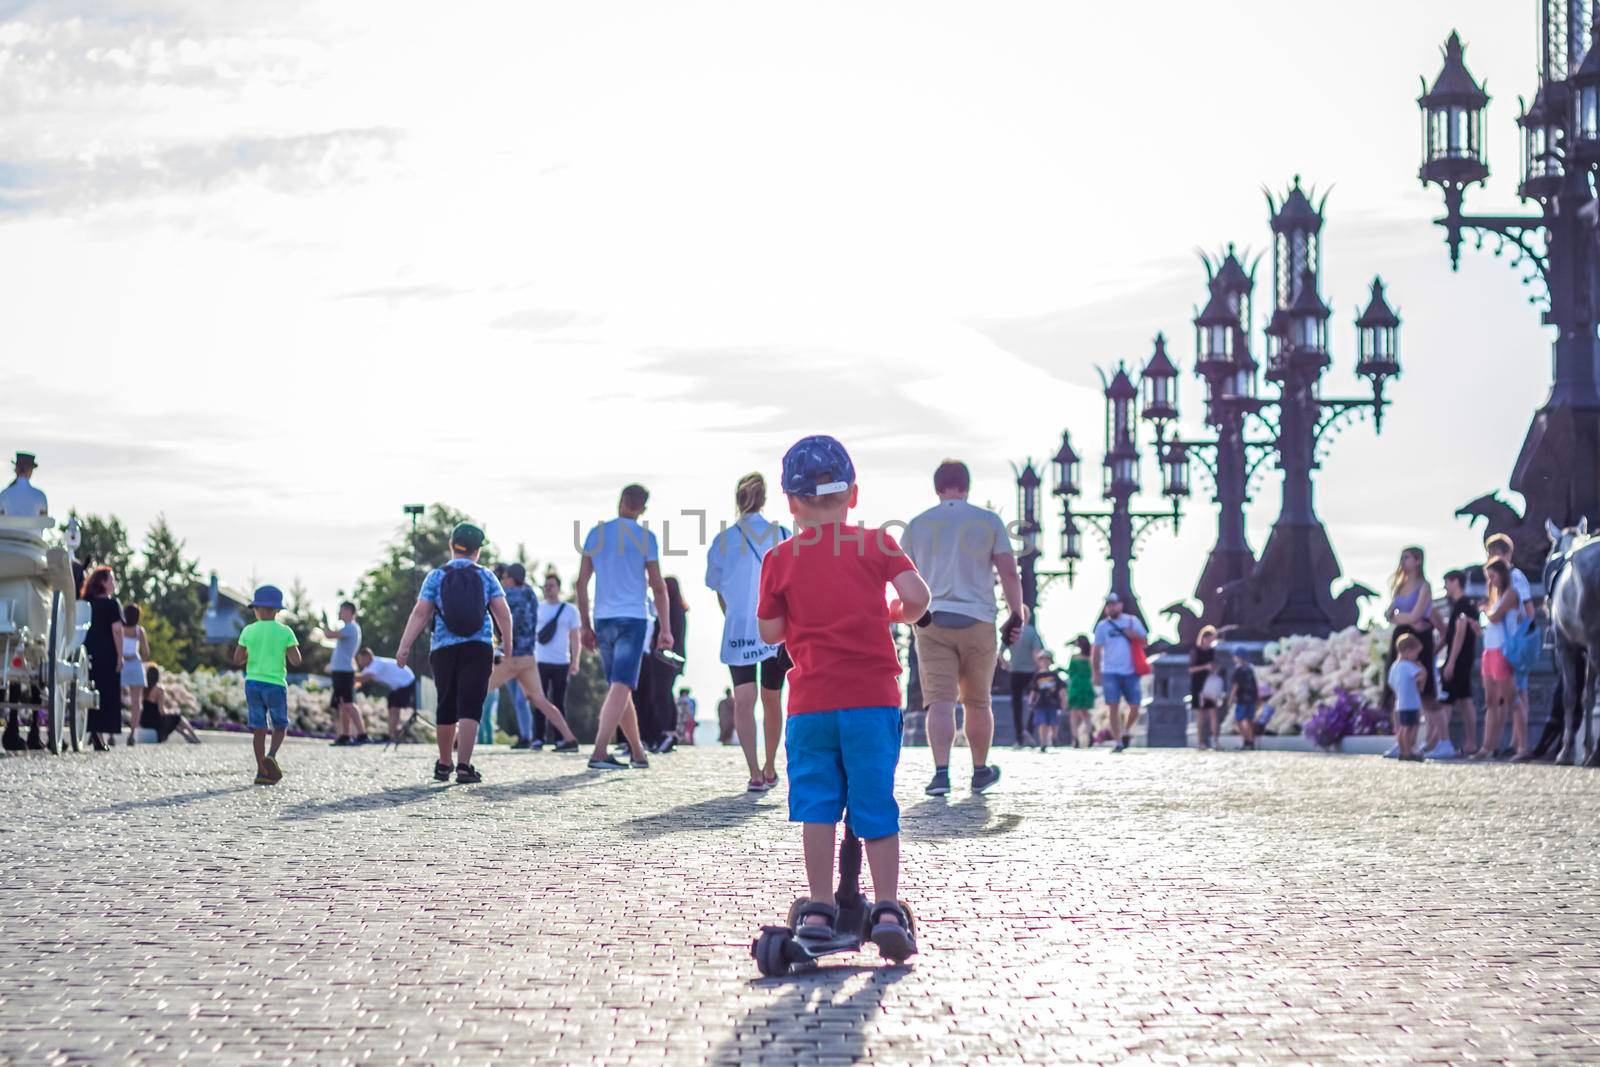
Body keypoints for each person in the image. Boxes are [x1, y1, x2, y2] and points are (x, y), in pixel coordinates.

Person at [756, 433, 931, 958]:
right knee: (875, 804)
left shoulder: (780, 558)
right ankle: (884, 907)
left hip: (811, 704)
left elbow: (769, 632)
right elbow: (918, 599)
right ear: (852, 494)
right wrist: (894, 614)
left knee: (817, 807)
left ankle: (818, 906)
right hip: (872, 700)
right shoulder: (878, 543)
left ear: (790, 502)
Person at [904, 459, 1025, 798]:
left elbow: (903, 576)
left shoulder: (917, 525)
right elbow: (1009, 573)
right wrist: (1017, 613)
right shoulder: (988, 521)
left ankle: (941, 774)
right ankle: (980, 770)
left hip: (932, 621)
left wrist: (911, 614)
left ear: (937, 487)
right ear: (967, 485)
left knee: (939, 702)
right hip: (979, 621)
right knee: (976, 701)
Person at [396, 523, 511, 785]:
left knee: (446, 703)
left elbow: (421, 613)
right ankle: (464, 766)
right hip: (479, 646)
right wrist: (507, 643)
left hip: (444, 648)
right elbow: (502, 612)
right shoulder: (486, 576)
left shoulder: (436, 576)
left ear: (452, 545)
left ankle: (444, 764)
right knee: (471, 705)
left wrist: (404, 646)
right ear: (477, 550)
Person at [705, 471, 791, 788]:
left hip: (738, 628)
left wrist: (733, 614)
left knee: (744, 700)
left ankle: (754, 771)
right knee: (772, 699)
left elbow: (716, 587)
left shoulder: (723, 540)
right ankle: (770, 767)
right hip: (774, 630)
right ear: (765, 499)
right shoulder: (781, 533)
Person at [577, 484, 671, 771]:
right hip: (633, 618)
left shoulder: (596, 533)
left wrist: (584, 625)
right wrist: (665, 628)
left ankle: (638, 752)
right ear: (642, 508)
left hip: (603, 618)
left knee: (620, 687)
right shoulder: (646, 538)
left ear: (620, 502)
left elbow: (581, 583)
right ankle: (600, 751)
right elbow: (658, 586)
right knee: (622, 684)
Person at [486, 563, 581, 752]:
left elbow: (504, 620)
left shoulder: (509, 595)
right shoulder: (531, 595)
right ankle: (569, 738)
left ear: (511, 578)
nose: (503, 581)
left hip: (511, 656)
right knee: (539, 699)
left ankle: (455, 738)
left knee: (477, 691)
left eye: (504, 577)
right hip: (529, 658)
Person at [232, 585, 302, 785]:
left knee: (259, 728)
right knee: (280, 725)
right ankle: (271, 755)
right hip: (275, 684)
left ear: (256, 609)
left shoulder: (248, 630)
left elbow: (237, 659)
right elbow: (296, 660)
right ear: (278, 610)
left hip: (253, 683)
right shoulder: (285, 631)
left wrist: (251, 654)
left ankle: (261, 771)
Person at [1486, 534, 1536, 757]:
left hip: (1513, 645)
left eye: (1495, 553)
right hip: (1505, 645)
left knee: (1518, 695)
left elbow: (1529, 609)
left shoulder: (1515, 578)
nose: (1491, 558)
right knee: (1513, 696)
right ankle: (1515, 742)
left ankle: (1520, 744)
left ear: (1506, 554)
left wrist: (1523, 630)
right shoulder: (1499, 581)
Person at [635, 574, 688, 752]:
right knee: (666, 693)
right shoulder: (679, 609)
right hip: (674, 658)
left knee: (660, 694)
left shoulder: (671, 610)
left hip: (664, 658)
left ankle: (665, 730)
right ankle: (670, 730)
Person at [1384, 548, 1437, 720]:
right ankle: (1399, 737)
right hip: (1401, 638)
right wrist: (1401, 618)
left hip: (1419, 638)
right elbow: (1389, 615)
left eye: (1406, 558)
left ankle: (1435, 738)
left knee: (1424, 688)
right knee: (1397, 687)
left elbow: (1417, 614)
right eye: (1402, 557)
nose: (1402, 561)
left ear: (1418, 561)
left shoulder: (1424, 586)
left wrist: (1398, 617)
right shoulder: (1399, 586)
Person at [1473, 560, 1518, 760]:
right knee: (1491, 701)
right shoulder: (1494, 596)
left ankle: (1510, 743)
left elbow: (1496, 617)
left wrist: (1484, 610)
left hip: (1502, 650)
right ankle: (1487, 746)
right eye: (1488, 577)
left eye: (1493, 576)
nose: (1490, 580)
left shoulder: (1510, 593)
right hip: (1489, 650)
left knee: (1508, 699)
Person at [1092, 593, 1148, 752]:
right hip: (1110, 671)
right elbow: (1096, 650)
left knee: (1135, 706)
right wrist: (1096, 672)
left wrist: (1134, 635)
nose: (1111, 607)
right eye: (1108, 604)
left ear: (1120, 605)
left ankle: (1126, 730)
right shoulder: (1102, 626)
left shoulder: (1132, 621)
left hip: (1131, 671)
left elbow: (1145, 641)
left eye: (1114, 604)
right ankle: (1118, 742)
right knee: (1113, 707)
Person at [534, 569, 582, 749]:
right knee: (539, 699)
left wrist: (575, 661)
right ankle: (538, 738)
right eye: (546, 586)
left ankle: (561, 738)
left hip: (562, 661)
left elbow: (575, 638)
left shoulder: (570, 610)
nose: (548, 589)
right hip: (540, 661)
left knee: (559, 700)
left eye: (552, 586)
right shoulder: (538, 607)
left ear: (559, 587)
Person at [1435, 569, 1480, 761]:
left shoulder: (1463, 604)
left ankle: (1441, 742)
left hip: (1459, 659)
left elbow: (1460, 633)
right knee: (1465, 700)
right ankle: (1471, 743)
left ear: (1455, 582)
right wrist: (1436, 651)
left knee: (1445, 701)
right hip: (1465, 658)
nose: (1445, 586)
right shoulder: (1465, 605)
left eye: (1447, 582)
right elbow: (1450, 635)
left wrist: (1450, 662)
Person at [81, 566, 124, 752]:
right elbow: (117, 630)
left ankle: (94, 731)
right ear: (103, 583)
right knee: (105, 694)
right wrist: (120, 656)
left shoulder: (86, 603)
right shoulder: (112, 604)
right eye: (111, 580)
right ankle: (98, 734)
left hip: (88, 651)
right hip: (107, 653)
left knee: (90, 690)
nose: (113, 583)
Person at [326, 601, 366, 746]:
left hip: (344, 672)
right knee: (343, 703)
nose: (339, 613)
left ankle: (362, 734)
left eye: (341, 610)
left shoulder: (351, 628)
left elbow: (329, 635)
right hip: (341, 671)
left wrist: (324, 622)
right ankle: (345, 734)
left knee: (348, 703)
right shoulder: (349, 628)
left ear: (349, 611)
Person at [1005, 617, 1045, 749]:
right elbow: (1036, 652)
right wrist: (1041, 669)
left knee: (1017, 706)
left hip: (1015, 671)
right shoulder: (1031, 631)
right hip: (1031, 672)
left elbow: (1000, 652)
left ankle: (1019, 738)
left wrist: (1006, 664)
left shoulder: (1010, 630)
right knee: (1035, 702)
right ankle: (1028, 731)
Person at [137, 665, 201, 744]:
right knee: (177, 717)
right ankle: (193, 735)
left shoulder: (144, 689)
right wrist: (171, 711)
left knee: (172, 720)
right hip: (155, 722)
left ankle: (186, 735)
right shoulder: (159, 690)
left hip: (144, 721)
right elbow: (161, 711)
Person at [1388, 633, 1426, 761]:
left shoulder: (1394, 667)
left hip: (1400, 703)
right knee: (1410, 728)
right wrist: (1422, 669)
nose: (1416, 656)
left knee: (1402, 728)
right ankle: (1408, 751)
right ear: (1407, 651)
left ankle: (1403, 750)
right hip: (1411, 703)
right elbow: (1421, 675)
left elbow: (1391, 682)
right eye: (1415, 653)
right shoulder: (1408, 666)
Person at [119, 604, 150, 747]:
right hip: (134, 663)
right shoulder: (139, 631)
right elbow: (146, 653)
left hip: (121, 663)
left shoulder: (120, 628)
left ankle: (113, 732)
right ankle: (132, 733)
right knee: (136, 702)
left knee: (116, 699)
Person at [1027, 649, 1066, 752]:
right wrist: (1031, 700)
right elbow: (1033, 690)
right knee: (1042, 723)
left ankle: (1054, 737)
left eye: (1047, 660)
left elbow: (1061, 688)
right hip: (1040, 703)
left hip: (1053, 702)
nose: (1044, 662)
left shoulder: (1054, 675)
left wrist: (1063, 701)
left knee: (1054, 723)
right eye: (1042, 660)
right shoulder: (1037, 676)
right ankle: (1043, 742)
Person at [1189, 626, 1219, 749]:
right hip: (1198, 686)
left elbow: (1214, 665)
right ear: (1204, 638)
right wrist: (1205, 667)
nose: (1211, 642)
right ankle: (1200, 742)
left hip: (1210, 685)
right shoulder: (1195, 651)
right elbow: (1191, 669)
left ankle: (1215, 741)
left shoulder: (1212, 651)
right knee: (1201, 715)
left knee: (1213, 713)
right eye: (1210, 639)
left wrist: (1214, 670)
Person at [1065, 636, 1095, 748]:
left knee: (1074, 714)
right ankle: (1090, 733)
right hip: (1086, 685)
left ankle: (1075, 738)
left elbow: (1070, 672)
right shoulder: (1090, 657)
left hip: (1076, 686)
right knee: (1085, 713)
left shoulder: (1074, 657)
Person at [1227, 652, 1260, 751]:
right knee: (1249, 720)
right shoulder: (1250, 670)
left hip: (1242, 699)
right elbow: (1255, 684)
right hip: (1251, 698)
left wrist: (1231, 699)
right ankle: (1250, 742)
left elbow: (1235, 686)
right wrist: (1256, 697)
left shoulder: (1238, 670)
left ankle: (1247, 740)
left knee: (1240, 720)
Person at [0, 451, 47, 516]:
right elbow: (44, 520)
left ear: (16, 469)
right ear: (30, 471)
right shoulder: (40, 495)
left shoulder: (4, 494)